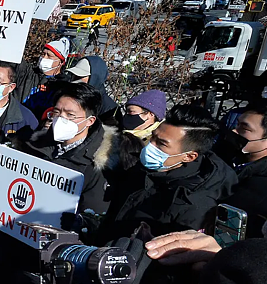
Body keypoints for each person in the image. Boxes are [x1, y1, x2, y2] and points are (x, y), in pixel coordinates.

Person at [100, 104, 236, 243]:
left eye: (161, 144)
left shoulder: (193, 204)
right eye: (152, 137)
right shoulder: (140, 170)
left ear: (189, 156)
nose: (150, 146)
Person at [20, 82, 114, 215]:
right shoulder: (36, 145)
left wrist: (79, 222)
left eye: (70, 115)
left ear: (90, 121)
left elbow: (95, 215)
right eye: (57, 112)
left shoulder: (98, 164)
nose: (61, 119)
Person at [222, 101, 267, 236]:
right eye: (237, 124)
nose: (235, 131)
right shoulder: (225, 156)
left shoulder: (262, 185)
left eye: (244, 129)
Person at [109, 89, 166, 178]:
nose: (127, 116)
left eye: (131, 112)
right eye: (126, 112)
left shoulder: (157, 143)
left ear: (150, 114)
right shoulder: (119, 135)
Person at [19, 36, 71, 120]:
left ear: (60, 62)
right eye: (43, 54)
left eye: (49, 56)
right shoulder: (29, 73)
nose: (44, 58)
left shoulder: (63, 85)